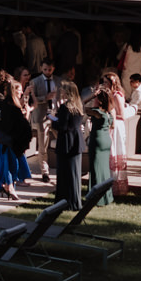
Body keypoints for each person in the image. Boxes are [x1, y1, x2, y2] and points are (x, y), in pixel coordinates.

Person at [53, 81, 86, 210]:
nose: (61, 93)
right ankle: (74, 201)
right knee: (74, 173)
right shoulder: (78, 106)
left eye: (63, 91)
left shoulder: (65, 107)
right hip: (76, 142)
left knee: (63, 173)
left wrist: (53, 120)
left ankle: (64, 201)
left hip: (66, 142)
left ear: (67, 93)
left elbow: (62, 126)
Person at [28, 60, 59, 183]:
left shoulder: (58, 80)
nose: (47, 72)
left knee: (61, 140)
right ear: (41, 68)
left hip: (55, 115)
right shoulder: (35, 81)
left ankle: (61, 166)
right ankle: (44, 172)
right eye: (45, 69)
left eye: (49, 69)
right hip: (42, 116)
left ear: (53, 68)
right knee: (43, 145)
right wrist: (46, 98)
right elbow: (32, 99)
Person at [100, 71, 130, 197]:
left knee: (115, 151)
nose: (104, 84)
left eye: (107, 82)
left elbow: (121, 115)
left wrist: (109, 114)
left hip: (116, 126)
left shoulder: (117, 95)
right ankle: (108, 185)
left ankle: (117, 186)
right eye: (104, 82)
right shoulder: (107, 94)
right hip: (111, 124)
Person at [86, 91, 115, 206]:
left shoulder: (97, 112)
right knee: (104, 169)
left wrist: (91, 95)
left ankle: (97, 198)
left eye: (96, 98)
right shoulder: (109, 113)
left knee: (96, 169)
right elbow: (112, 126)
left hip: (97, 141)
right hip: (106, 140)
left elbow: (81, 107)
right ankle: (107, 196)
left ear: (99, 100)